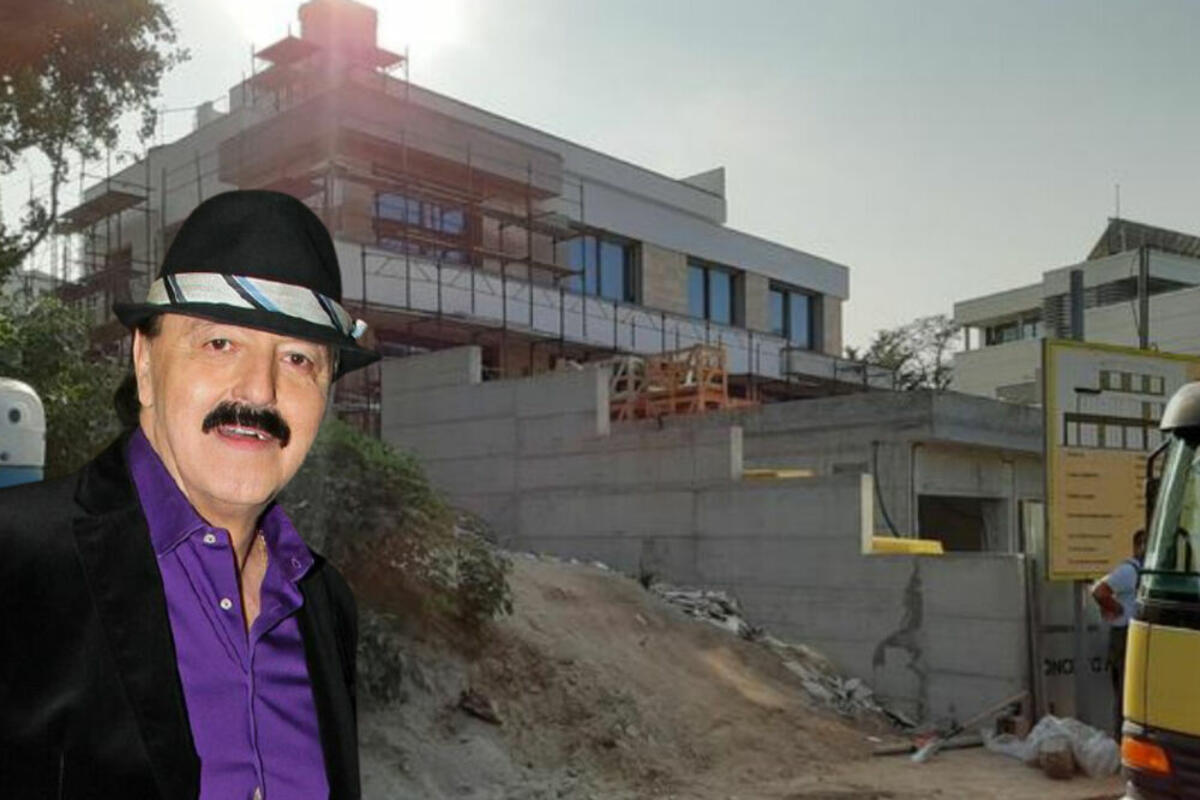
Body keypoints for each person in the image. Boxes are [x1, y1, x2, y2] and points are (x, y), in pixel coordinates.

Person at [0, 190, 379, 798]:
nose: (259, 390)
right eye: (220, 343)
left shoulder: (325, 602)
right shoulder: (17, 560)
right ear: (145, 362)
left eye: (298, 358)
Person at [1092, 528, 1147, 738]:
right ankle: (1120, 741)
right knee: (1125, 693)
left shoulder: (1146, 572)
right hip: (1124, 637)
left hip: (1136, 635)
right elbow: (1100, 592)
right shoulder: (1129, 570)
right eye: (1144, 544)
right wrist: (1119, 609)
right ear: (1137, 546)